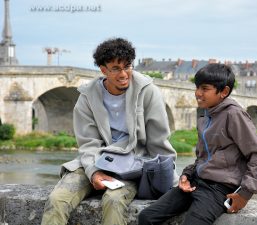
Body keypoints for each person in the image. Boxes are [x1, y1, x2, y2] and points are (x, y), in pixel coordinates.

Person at [41, 37, 178, 225]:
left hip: (132, 164)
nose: (123, 74)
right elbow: (88, 144)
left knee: (113, 201)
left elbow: (159, 141)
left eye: (127, 66)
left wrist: (173, 181)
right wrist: (94, 172)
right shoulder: (87, 97)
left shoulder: (148, 91)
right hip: (95, 160)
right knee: (57, 200)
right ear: (103, 70)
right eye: (116, 69)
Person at [138, 63, 257, 225]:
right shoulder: (206, 116)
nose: (197, 93)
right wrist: (186, 175)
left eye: (205, 89)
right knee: (146, 217)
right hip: (197, 182)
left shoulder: (234, 115)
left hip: (219, 189)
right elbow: (202, 157)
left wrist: (245, 194)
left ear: (224, 92)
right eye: (197, 87)